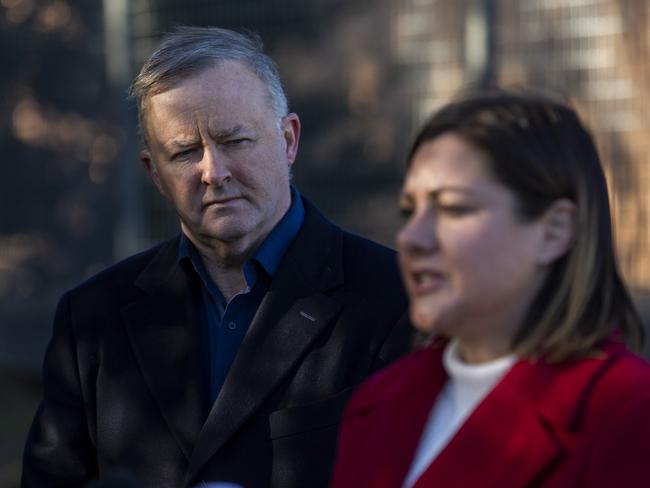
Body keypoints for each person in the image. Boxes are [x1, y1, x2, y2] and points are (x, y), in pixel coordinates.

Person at [22, 26, 415, 488]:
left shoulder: (395, 301)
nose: (214, 172)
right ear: (154, 173)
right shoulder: (91, 319)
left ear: (288, 140)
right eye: (185, 152)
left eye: (234, 141)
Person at [331, 89, 650, 488]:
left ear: (554, 231)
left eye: (452, 208)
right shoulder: (378, 401)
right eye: (409, 211)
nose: (412, 237)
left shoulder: (626, 413)